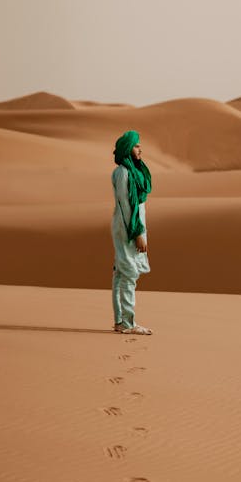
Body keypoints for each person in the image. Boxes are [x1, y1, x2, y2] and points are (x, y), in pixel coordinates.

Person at [111, 130, 153, 335]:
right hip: (127, 228)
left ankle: (121, 321)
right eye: (136, 146)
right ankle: (127, 323)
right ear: (128, 148)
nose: (140, 149)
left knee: (122, 272)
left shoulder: (131, 171)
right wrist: (137, 233)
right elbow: (126, 206)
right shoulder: (123, 173)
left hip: (130, 226)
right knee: (128, 273)